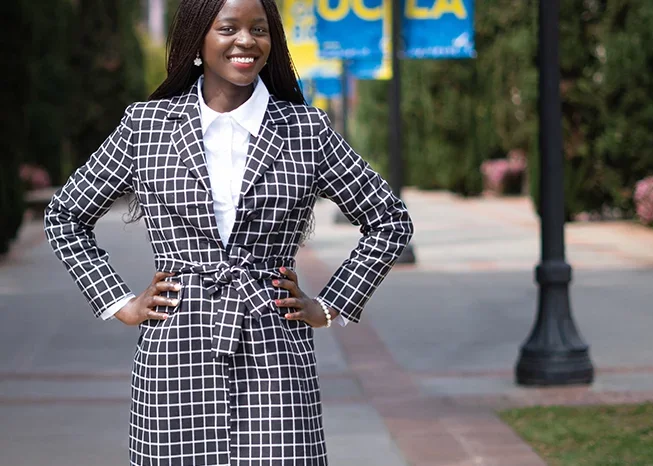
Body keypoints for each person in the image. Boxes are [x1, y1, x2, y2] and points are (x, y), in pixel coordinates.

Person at [44, 0, 413, 464]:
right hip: (175, 352)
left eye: (259, 29)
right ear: (199, 39)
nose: (246, 40)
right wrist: (120, 302)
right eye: (229, 28)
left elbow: (389, 220)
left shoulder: (306, 129)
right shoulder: (146, 125)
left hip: (274, 352)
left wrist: (331, 304)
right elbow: (65, 216)